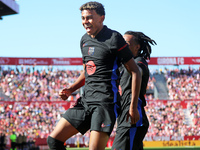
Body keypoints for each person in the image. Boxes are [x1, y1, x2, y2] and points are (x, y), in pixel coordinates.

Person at [47, 2, 141, 150]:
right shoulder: (84, 40)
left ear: (101, 18)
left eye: (89, 18)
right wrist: (71, 88)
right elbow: (88, 70)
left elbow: (135, 71)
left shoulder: (114, 38)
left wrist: (133, 107)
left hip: (105, 104)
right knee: (53, 141)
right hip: (85, 102)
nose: (85, 21)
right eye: (83, 18)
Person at [112, 31, 156, 150]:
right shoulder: (121, 64)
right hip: (125, 116)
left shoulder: (139, 61)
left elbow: (138, 71)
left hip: (132, 116)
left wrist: (132, 107)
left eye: (126, 44)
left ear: (137, 47)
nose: (123, 46)